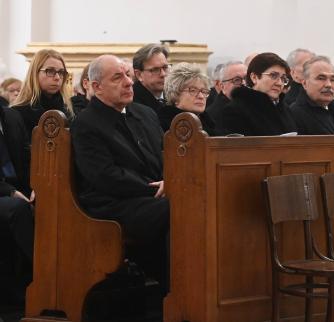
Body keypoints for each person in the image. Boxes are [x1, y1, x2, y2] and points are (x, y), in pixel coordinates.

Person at [72, 55, 168, 289]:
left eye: (128, 75)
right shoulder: (86, 124)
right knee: (180, 207)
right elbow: (104, 175)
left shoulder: (146, 114)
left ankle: (187, 287)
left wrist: (171, 180)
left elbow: (166, 155)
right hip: (113, 203)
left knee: (193, 203)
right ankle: (179, 287)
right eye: (118, 77)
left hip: (152, 197)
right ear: (96, 87)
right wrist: (152, 188)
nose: (128, 82)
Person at [0, 104, 34, 303]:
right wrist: (11, 192)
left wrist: (37, 184)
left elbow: (28, 155)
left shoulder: (11, 116)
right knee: (18, 209)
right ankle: (46, 272)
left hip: (20, 186)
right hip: (5, 191)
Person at [218, 53, 297, 136]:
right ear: (254, 77)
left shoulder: (285, 109)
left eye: (283, 78)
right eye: (273, 76)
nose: (280, 83)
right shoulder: (235, 110)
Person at [11, 49, 74, 138]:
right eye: (50, 71)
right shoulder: (17, 112)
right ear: (35, 73)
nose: (57, 77)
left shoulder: (68, 110)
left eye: (61, 72)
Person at [157, 63, 224, 136]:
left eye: (204, 91)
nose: (201, 96)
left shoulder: (210, 124)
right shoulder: (162, 125)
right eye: (193, 90)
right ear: (175, 94)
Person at [290, 56, 334, 135]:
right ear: (305, 83)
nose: (328, 85)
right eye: (321, 78)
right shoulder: (294, 115)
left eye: (333, 80)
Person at [132, 43, 170, 112]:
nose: (163, 74)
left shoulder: (176, 96)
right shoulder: (131, 101)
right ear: (139, 75)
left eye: (165, 67)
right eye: (155, 70)